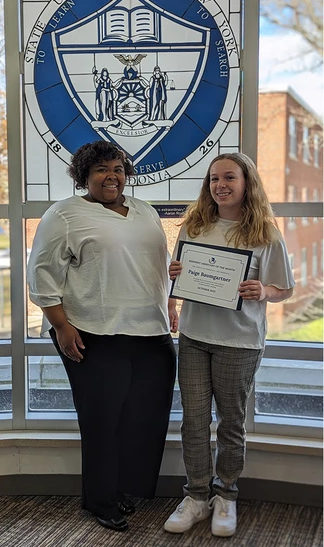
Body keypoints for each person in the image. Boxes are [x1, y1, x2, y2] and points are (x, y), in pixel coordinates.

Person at [27, 140, 177, 533]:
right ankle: (101, 500)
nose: (112, 177)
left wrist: (171, 304)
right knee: (102, 421)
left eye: (118, 169)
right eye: (101, 170)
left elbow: (156, 266)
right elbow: (41, 273)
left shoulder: (144, 211)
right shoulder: (65, 214)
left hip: (151, 330)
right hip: (94, 333)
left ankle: (123, 489)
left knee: (143, 418)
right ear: (83, 176)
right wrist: (60, 324)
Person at [164, 153, 295, 537]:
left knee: (231, 424)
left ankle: (226, 496)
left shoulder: (265, 234)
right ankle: (197, 497)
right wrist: (174, 281)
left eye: (229, 178)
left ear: (246, 182)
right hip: (193, 337)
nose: (220, 185)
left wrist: (263, 290)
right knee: (193, 422)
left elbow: (284, 289)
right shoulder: (195, 225)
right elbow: (178, 275)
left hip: (239, 342)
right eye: (213, 178)